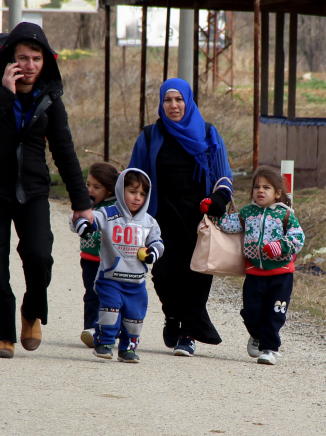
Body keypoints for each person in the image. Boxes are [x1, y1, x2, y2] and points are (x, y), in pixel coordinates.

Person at [0, 22, 92, 359]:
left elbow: (64, 150)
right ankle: (4, 336)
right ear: (9, 60)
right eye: (23, 58)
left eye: (36, 58)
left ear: (45, 60)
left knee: (38, 257)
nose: (30, 65)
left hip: (32, 191)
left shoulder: (49, 95)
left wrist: (81, 202)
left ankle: (31, 311)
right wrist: (5, 94)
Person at [127, 78, 233, 357]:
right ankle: (172, 315)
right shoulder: (150, 136)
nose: (173, 106)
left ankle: (187, 334)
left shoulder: (208, 133)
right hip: (160, 218)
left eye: (179, 100)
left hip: (199, 219)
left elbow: (224, 176)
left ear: (188, 101)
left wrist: (220, 198)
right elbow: (133, 177)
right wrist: (129, 211)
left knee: (196, 276)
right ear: (161, 103)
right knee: (162, 274)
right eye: (168, 100)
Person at [211, 165, 304, 365]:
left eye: (266, 187)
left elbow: (298, 238)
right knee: (250, 312)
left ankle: (269, 349)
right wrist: (213, 213)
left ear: (278, 193)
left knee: (274, 313)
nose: (260, 191)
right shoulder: (247, 213)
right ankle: (257, 334)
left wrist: (280, 246)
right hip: (255, 273)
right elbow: (229, 224)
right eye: (257, 187)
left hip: (281, 275)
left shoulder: (285, 215)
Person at [73, 168, 163, 363]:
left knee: (135, 318)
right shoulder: (108, 214)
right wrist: (82, 224)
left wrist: (152, 253)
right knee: (110, 311)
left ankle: (127, 348)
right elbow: (87, 218)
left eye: (142, 194)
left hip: (136, 283)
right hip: (110, 278)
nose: (137, 197)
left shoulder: (149, 222)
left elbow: (157, 242)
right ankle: (104, 343)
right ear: (121, 190)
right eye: (132, 192)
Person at [77, 162, 119, 347]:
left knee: (110, 296)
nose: (90, 190)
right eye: (88, 185)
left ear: (110, 190)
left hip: (109, 261)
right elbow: (74, 225)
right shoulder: (85, 205)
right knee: (91, 295)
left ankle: (112, 329)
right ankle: (91, 329)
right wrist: (77, 219)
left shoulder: (116, 207)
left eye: (96, 187)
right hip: (89, 259)